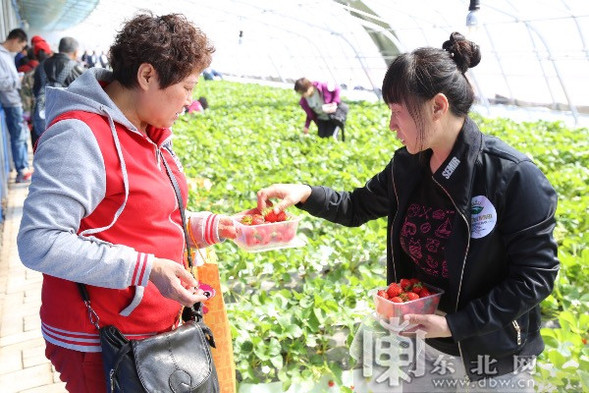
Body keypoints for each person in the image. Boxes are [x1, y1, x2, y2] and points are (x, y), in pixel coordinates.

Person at [257, 32, 559, 391]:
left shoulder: (512, 177)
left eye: (398, 113)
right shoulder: (408, 167)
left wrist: (454, 325)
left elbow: (535, 277)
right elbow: (356, 206)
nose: (391, 126)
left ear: (438, 107)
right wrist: (305, 193)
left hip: (490, 354)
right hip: (420, 340)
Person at [17, 13, 235, 393]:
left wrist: (213, 227)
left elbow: (145, 215)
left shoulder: (150, 130)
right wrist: (146, 269)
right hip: (101, 340)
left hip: (148, 329)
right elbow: (39, 241)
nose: (191, 100)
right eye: (187, 87)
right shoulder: (79, 136)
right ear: (147, 76)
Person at [31, 36, 85, 147]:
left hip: (42, 119)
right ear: (75, 53)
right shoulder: (76, 69)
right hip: (65, 123)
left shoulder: (40, 67)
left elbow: (35, 90)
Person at [0, 28, 33, 183]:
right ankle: (22, 170)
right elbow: (1, 82)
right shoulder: (1, 55)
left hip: (15, 101)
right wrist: (18, 81)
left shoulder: (7, 55)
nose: (20, 50)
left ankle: (23, 167)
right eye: (20, 46)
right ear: (15, 40)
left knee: (20, 136)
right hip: (11, 102)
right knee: (18, 137)